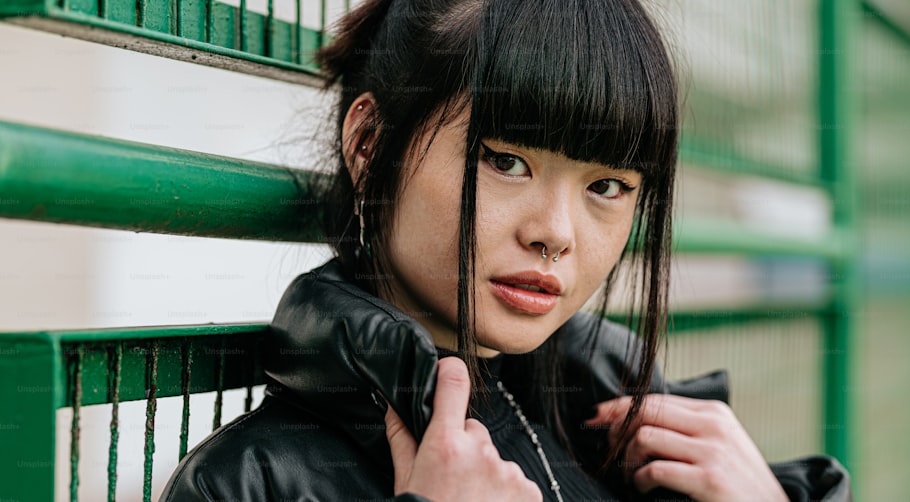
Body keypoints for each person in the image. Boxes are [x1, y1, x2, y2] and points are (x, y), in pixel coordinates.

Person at [162, 0, 851, 500]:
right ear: (369, 144)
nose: (556, 231)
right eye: (506, 162)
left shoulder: (622, 430)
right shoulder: (253, 483)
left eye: (607, 185)